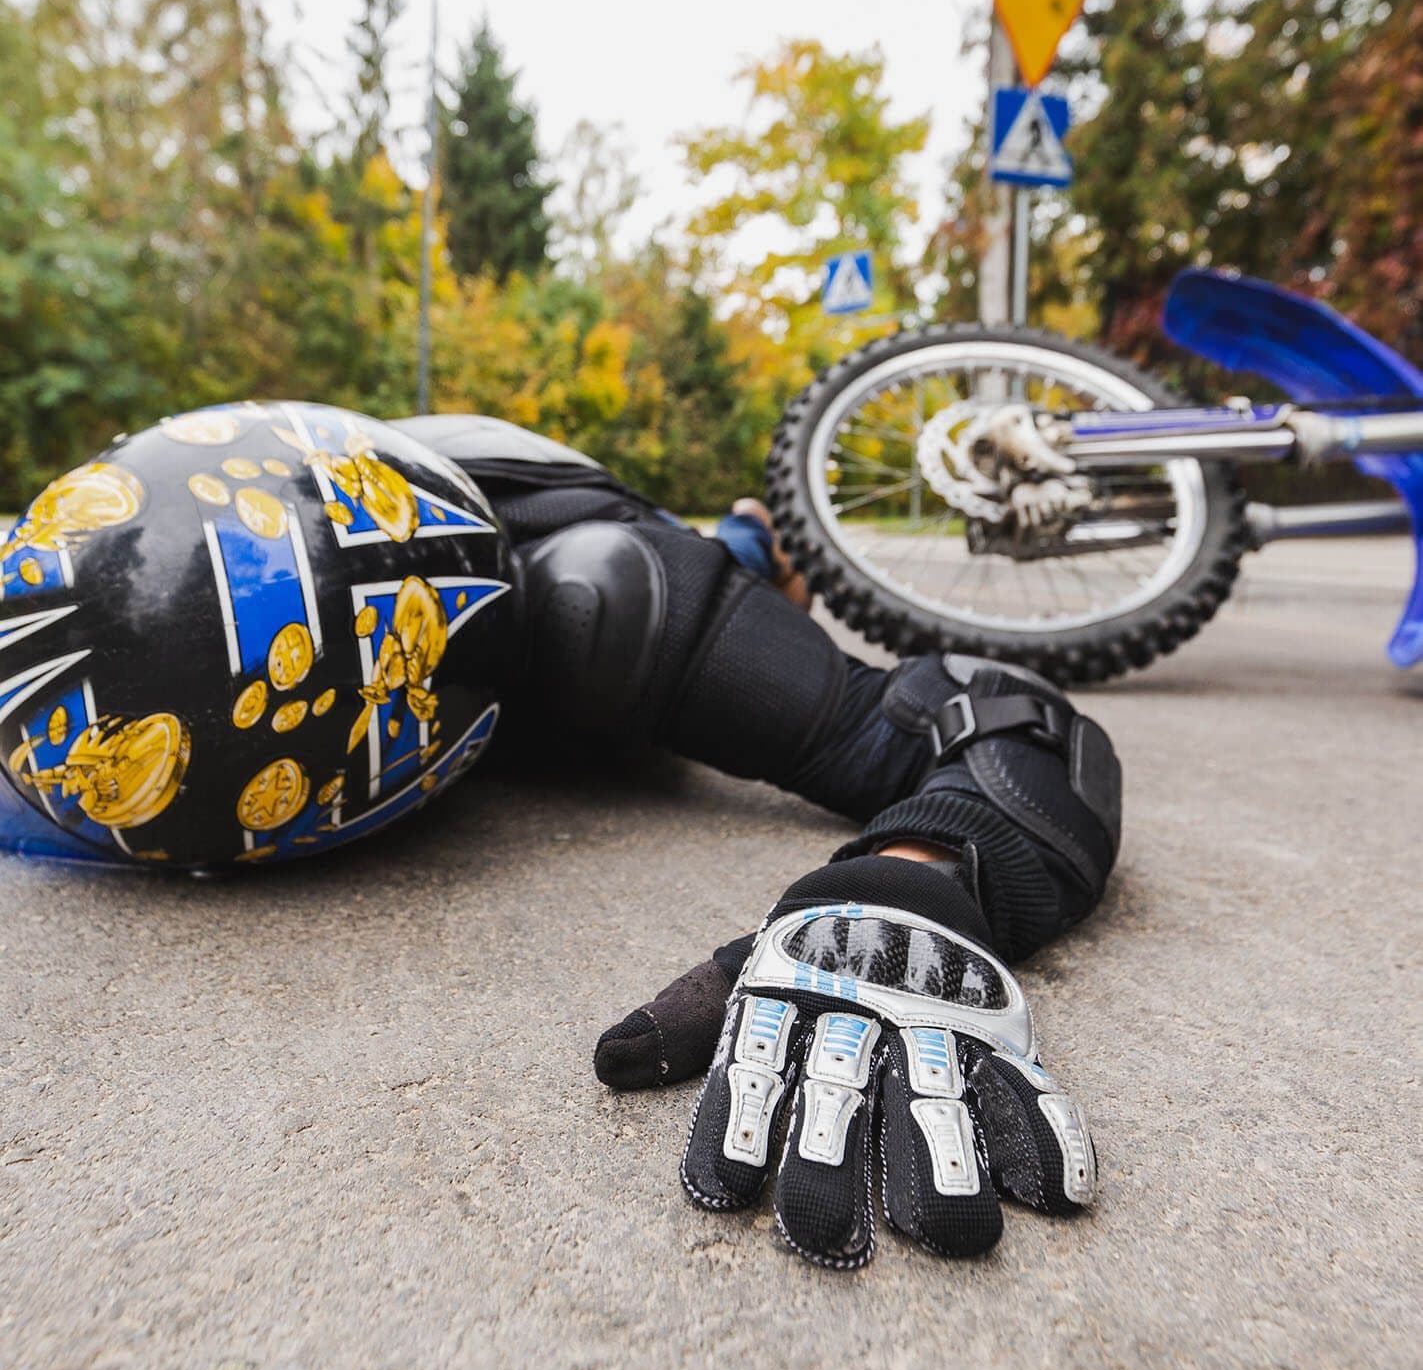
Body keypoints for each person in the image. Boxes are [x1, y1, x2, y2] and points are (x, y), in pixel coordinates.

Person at [0, 402, 1121, 1270]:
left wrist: (915, 883)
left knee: (701, 584)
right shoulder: (73, 586)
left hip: (567, 540)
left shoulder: (609, 607)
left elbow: (1000, 721)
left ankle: (749, 546)